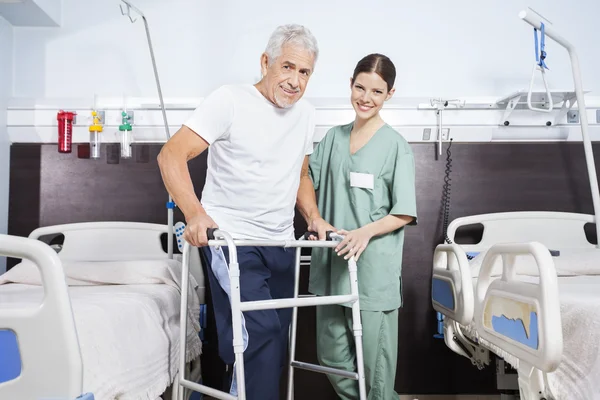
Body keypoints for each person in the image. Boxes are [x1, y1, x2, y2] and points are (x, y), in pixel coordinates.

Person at [157, 24, 322, 400]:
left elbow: (300, 173)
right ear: (266, 62)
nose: (295, 80)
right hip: (233, 242)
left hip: (280, 244)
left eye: (304, 72)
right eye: (288, 67)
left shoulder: (307, 115)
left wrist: (312, 217)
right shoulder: (229, 100)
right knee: (259, 333)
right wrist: (195, 214)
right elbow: (171, 155)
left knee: (273, 338)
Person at [297, 53, 418, 399]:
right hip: (332, 265)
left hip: (372, 270)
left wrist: (364, 232)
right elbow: (305, 179)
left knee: (375, 367)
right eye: (360, 88)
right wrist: (314, 218)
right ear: (350, 85)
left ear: (389, 94)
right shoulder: (333, 139)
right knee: (332, 355)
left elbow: (404, 212)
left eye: (377, 92)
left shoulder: (396, 146)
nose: (366, 98)